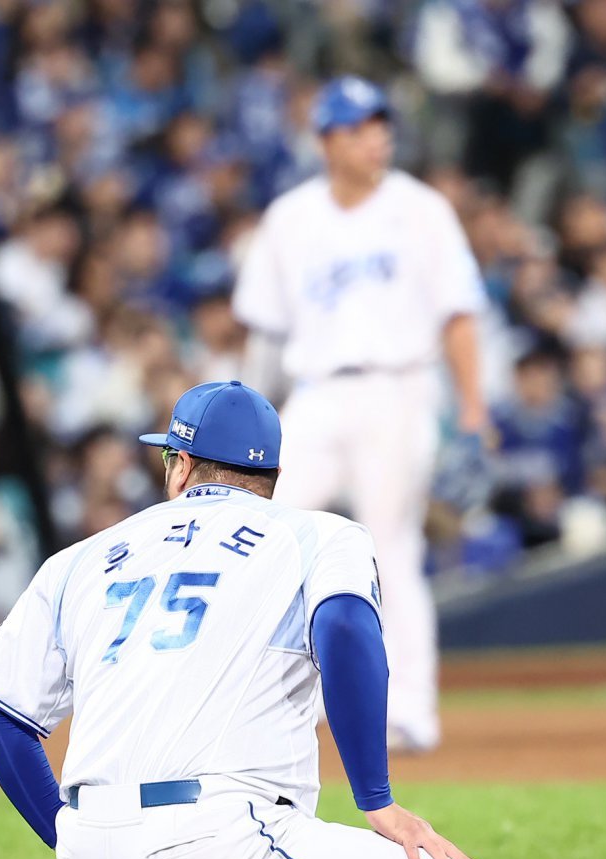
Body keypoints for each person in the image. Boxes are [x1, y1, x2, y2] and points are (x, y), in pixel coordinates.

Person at [0, 381, 532, 859]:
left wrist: (67, 832)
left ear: (180, 465)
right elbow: (345, 625)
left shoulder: (81, 557)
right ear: (271, 475)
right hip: (226, 848)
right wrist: (377, 800)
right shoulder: (317, 534)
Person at [233, 76, 490, 753]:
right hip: (314, 393)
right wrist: (250, 416)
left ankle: (409, 709)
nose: (377, 136)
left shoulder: (421, 208)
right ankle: (269, 698)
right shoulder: (290, 217)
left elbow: (459, 312)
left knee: (390, 546)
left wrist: (471, 406)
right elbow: (264, 334)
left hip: (398, 387)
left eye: (380, 124)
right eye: (358, 127)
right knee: (262, 532)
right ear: (325, 139)